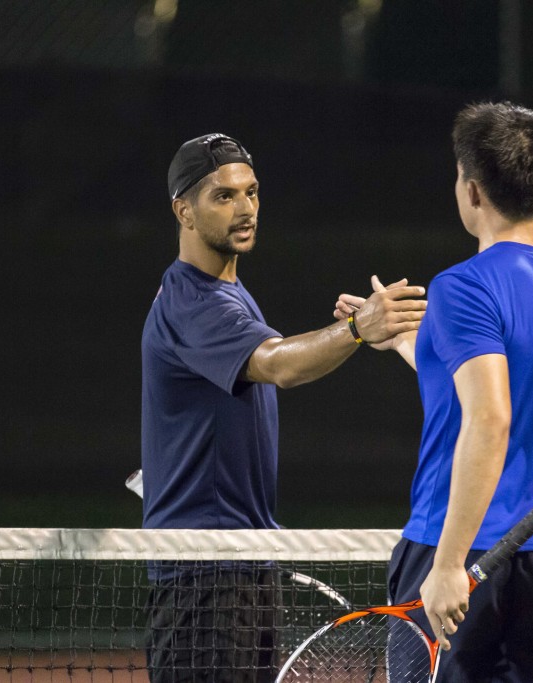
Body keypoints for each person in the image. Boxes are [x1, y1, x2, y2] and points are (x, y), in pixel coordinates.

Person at [337, 102, 533, 681]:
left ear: (474, 190)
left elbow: (489, 417)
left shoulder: (461, 287)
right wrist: (405, 345)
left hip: (466, 557)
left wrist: (448, 563)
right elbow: (476, 385)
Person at [140, 132, 426, 682]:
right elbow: (279, 364)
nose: (245, 209)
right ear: (184, 211)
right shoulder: (193, 301)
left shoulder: (227, 293)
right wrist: (357, 330)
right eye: (223, 197)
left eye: (251, 193)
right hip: (204, 576)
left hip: (243, 565)